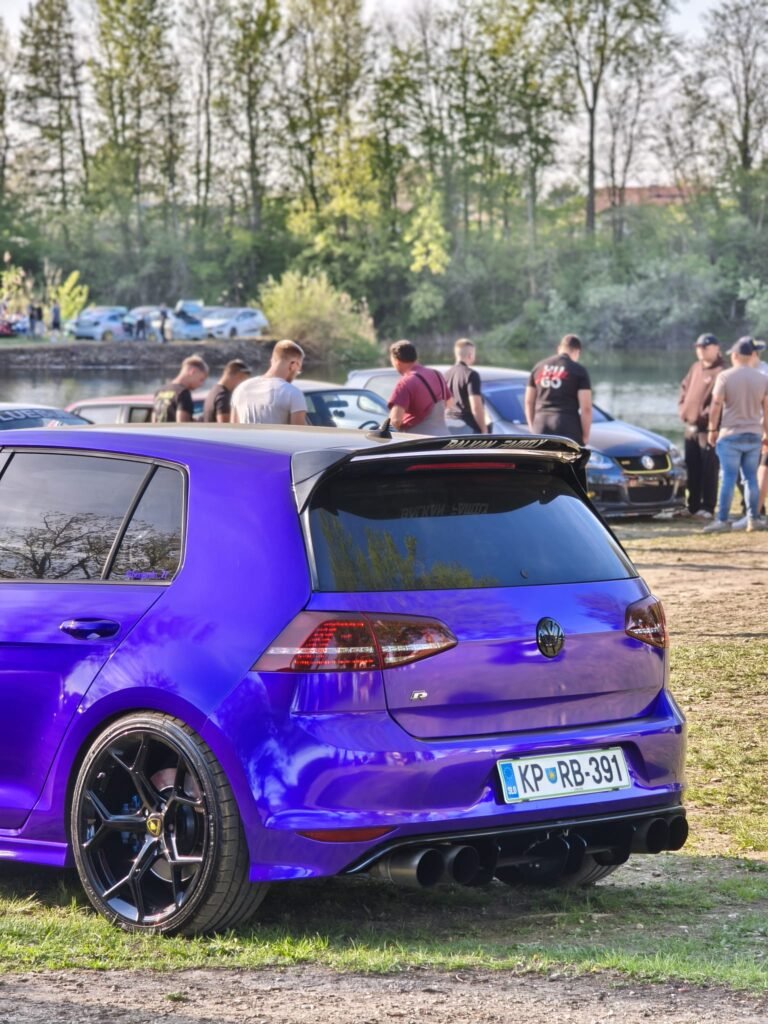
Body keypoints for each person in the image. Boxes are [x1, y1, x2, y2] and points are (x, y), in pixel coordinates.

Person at [703, 337, 768, 533]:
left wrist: (712, 429)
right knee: (751, 478)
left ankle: (722, 520)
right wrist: (766, 433)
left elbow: (716, 405)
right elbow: (767, 410)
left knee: (729, 478)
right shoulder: (762, 378)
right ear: (751, 355)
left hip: (730, 434)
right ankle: (753, 519)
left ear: (736, 356)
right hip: (754, 434)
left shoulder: (725, 376)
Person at [677, 333, 725, 518]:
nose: (701, 351)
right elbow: (684, 389)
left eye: (705, 347)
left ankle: (707, 506)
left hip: (708, 429)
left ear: (716, 348)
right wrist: (683, 410)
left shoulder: (721, 372)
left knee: (709, 468)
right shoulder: (695, 367)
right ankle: (693, 505)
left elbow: (719, 402)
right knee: (692, 467)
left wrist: (705, 417)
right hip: (690, 427)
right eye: (698, 347)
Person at [525, 333, 592, 445]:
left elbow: (528, 401)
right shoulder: (579, 371)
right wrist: (585, 436)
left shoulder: (538, 367)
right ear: (577, 352)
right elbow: (586, 408)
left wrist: (532, 427)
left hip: (540, 424)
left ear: (559, 348)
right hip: (567, 427)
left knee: (541, 457)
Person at [230, 339, 308, 425]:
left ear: (272, 360)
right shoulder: (293, 394)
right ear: (293, 364)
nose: (297, 373)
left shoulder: (241, 389)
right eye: (298, 370)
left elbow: (233, 429)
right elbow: (299, 432)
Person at [387, 339, 450, 435]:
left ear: (397, 362)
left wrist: (382, 436)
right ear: (415, 357)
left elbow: (395, 421)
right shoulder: (437, 374)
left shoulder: (405, 382)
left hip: (418, 440)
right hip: (444, 436)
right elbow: (450, 403)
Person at [444, 338, 487, 434]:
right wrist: (484, 430)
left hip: (448, 426)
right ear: (470, 355)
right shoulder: (471, 374)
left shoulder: (446, 374)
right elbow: (476, 406)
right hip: (467, 427)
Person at [152, 355, 209, 423]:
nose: (201, 384)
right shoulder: (183, 393)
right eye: (201, 379)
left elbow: (154, 420)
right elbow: (182, 425)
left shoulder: (159, 391)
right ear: (192, 371)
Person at [202, 359, 251, 423]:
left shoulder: (214, 391)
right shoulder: (223, 396)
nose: (243, 385)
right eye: (243, 380)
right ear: (238, 375)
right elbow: (225, 427)